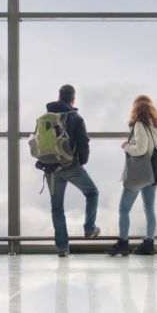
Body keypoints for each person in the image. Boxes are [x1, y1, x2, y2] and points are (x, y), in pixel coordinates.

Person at [45, 84, 99, 257]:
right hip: (70, 166)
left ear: (59, 96)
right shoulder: (75, 117)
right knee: (92, 192)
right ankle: (89, 228)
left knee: (57, 208)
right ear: (73, 99)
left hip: (51, 168)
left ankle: (62, 248)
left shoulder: (46, 117)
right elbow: (83, 143)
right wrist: (81, 162)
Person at [108, 95, 157, 256]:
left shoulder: (140, 125)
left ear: (136, 109)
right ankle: (148, 243)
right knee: (149, 209)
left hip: (139, 175)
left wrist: (126, 146)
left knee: (124, 209)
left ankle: (123, 243)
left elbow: (140, 149)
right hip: (153, 174)